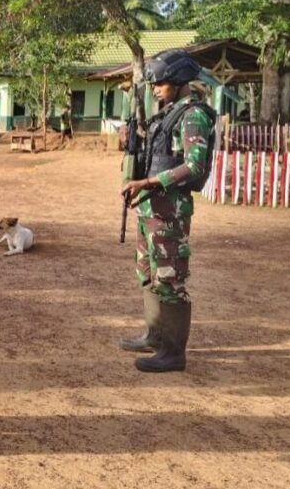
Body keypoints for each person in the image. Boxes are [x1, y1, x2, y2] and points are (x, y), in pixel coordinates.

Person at [120, 50, 215, 373]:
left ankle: (173, 354)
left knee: (170, 280)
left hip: (170, 210)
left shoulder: (194, 116)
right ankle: (155, 335)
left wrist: (148, 180)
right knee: (147, 274)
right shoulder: (168, 112)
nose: (156, 88)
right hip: (150, 206)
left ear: (177, 81)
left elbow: (193, 166)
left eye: (161, 82)